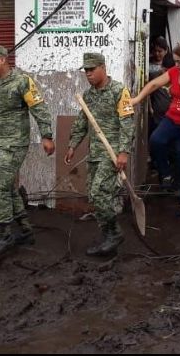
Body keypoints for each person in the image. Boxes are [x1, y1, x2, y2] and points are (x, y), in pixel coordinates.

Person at [0, 43, 54, 258]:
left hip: (15, 143)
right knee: (7, 188)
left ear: (2, 59)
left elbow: (39, 108)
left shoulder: (22, 82)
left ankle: (5, 235)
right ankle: (26, 231)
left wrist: (47, 136)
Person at [66, 53, 134, 256]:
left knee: (98, 193)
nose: (88, 74)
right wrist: (72, 145)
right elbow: (81, 123)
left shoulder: (119, 91)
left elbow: (127, 123)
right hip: (95, 153)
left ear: (103, 67)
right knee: (94, 196)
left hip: (111, 153)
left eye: (92, 70)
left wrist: (123, 152)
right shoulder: (88, 96)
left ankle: (115, 233)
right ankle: (108, 235)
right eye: (86, 70)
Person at [131, 43, 180, 210]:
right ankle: (166, 173)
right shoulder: (174, 72)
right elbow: (153, 84)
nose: (176, 65)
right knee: (155, 140)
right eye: (175, 61)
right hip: (172, 119)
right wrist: (137, 99)